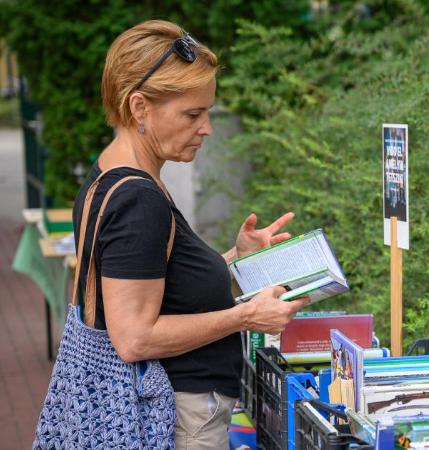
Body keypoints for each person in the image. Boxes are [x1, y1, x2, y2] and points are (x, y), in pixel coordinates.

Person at [39, 20, 309, 449]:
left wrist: (233, 259)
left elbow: (153, 282)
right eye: (192, 114)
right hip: (172, 417)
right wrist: (246, 317)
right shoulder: (139, 200)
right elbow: (134, 338)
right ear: (140, 107)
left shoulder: (111, 177)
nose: (207, 128)